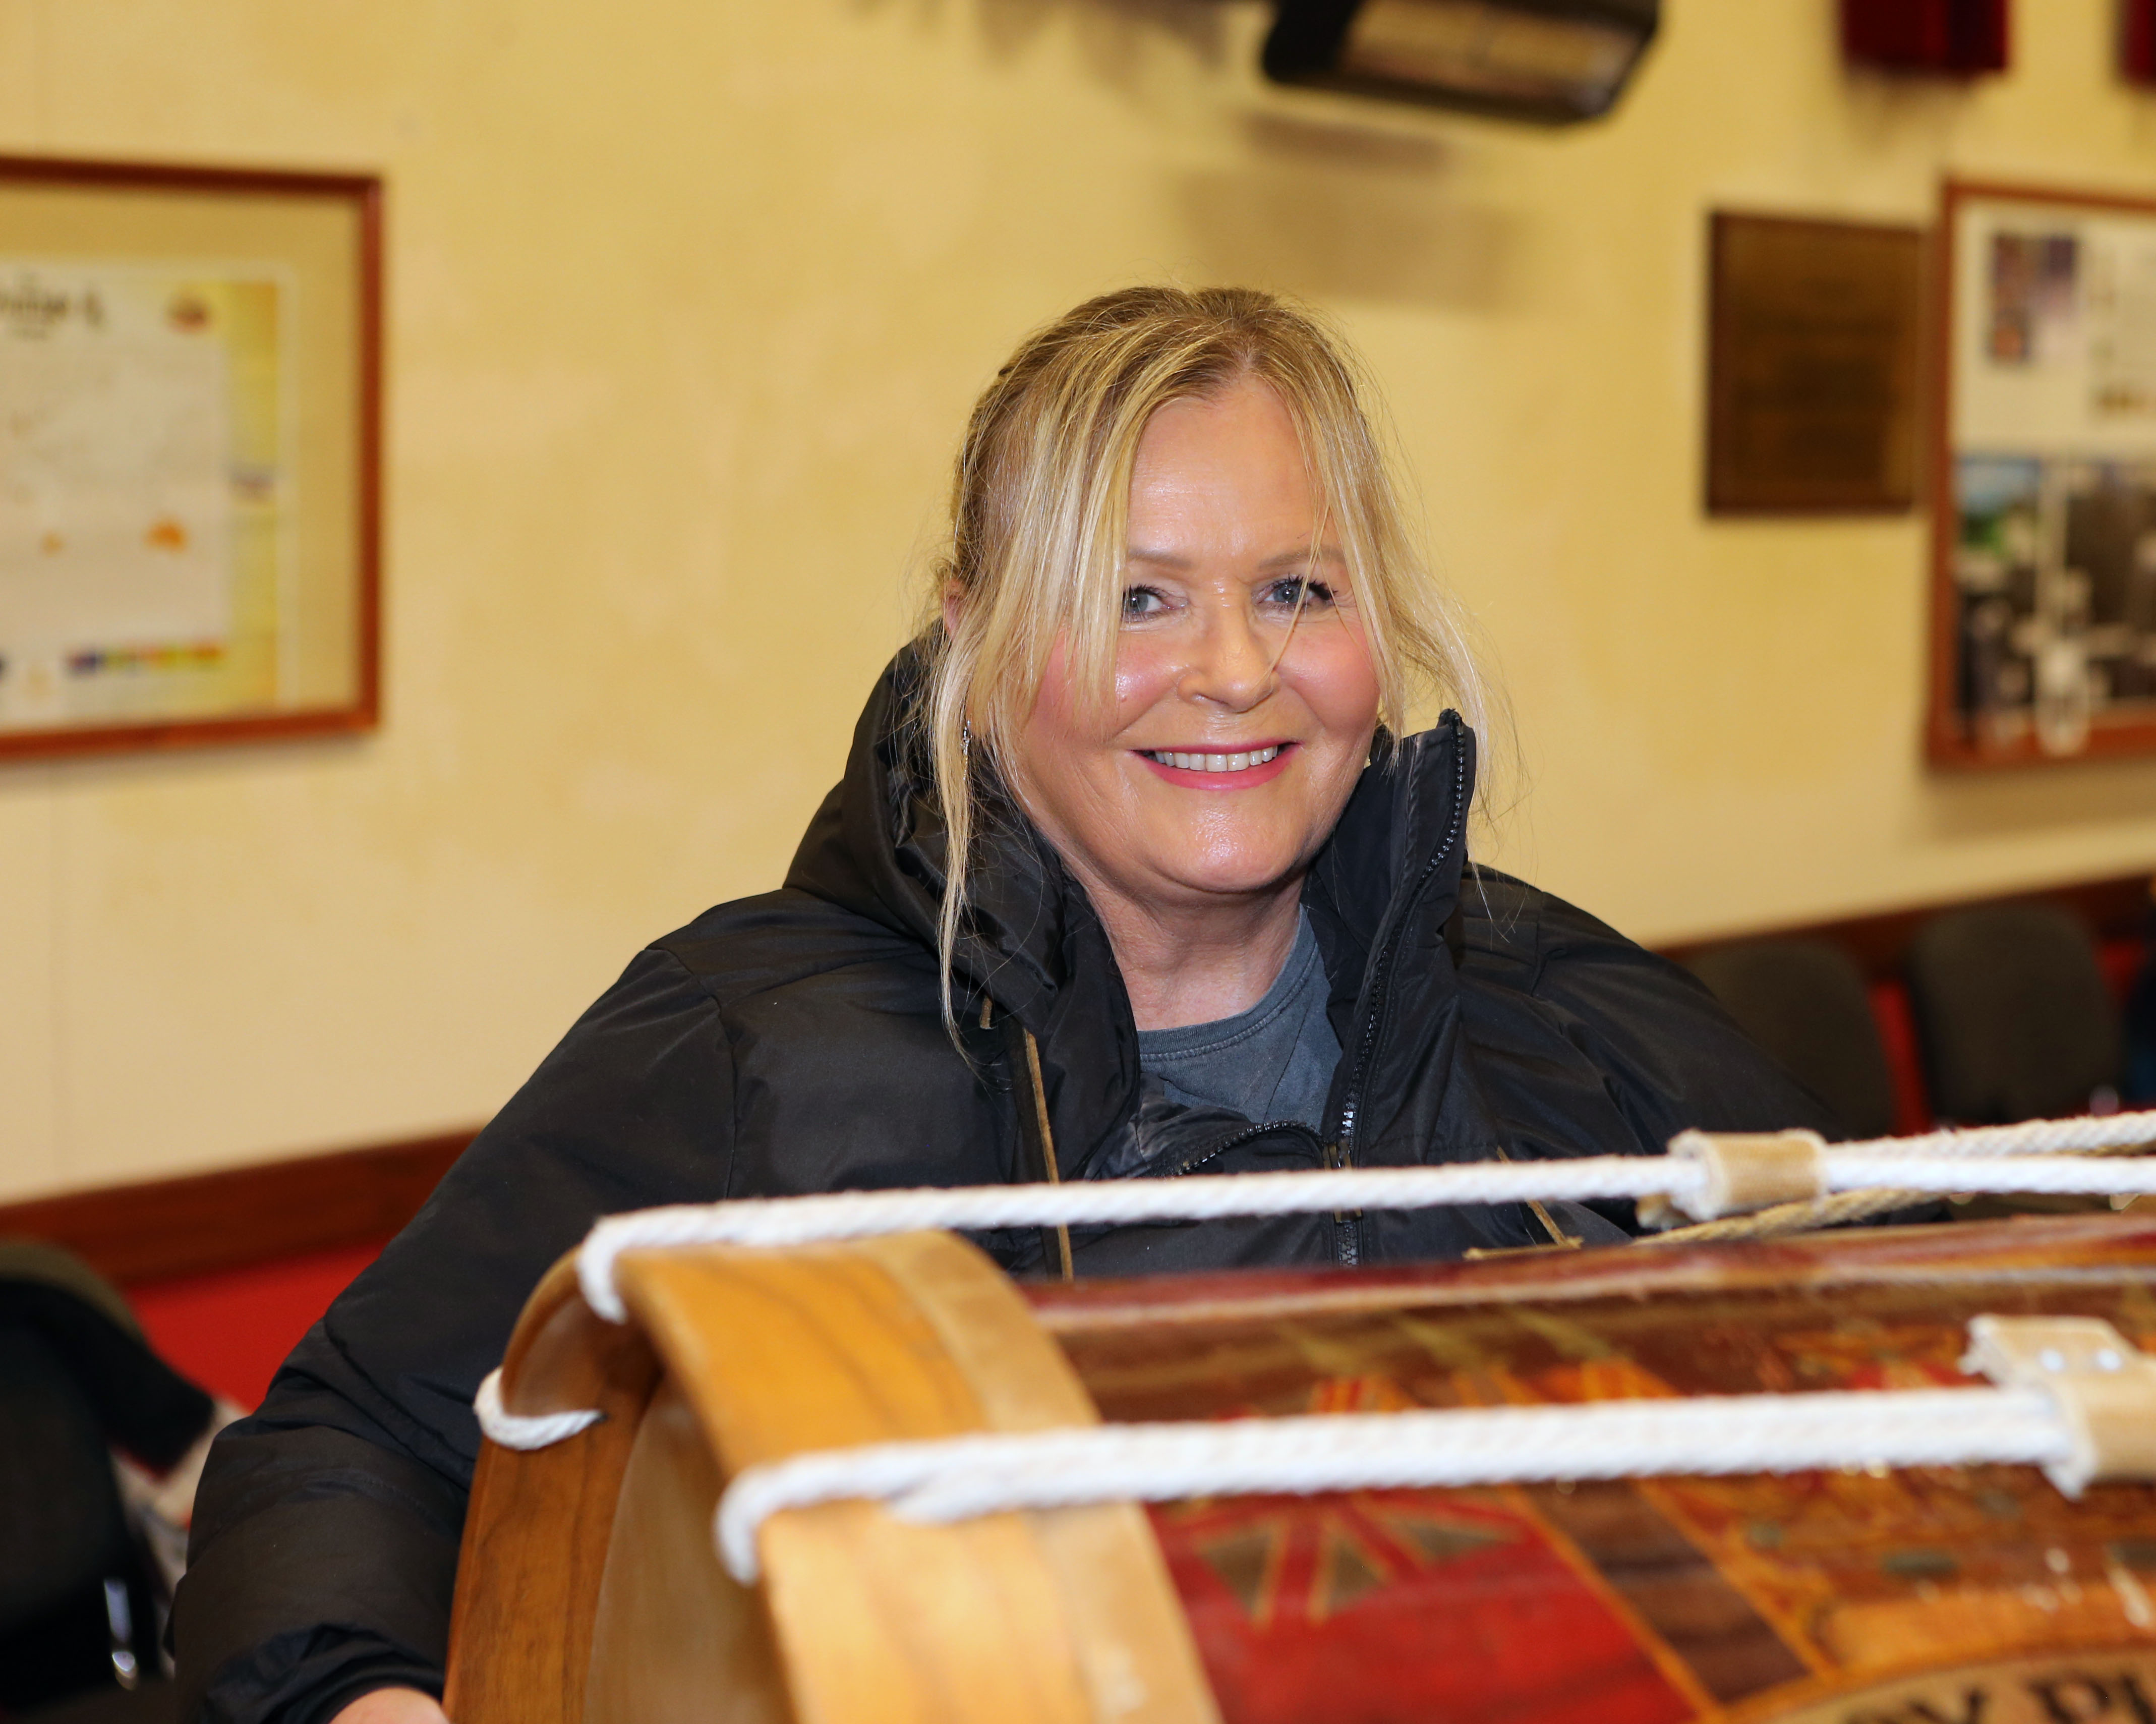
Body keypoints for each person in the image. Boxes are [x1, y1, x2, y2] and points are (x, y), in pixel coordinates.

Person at [172, 286, 1838, 1724]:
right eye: (1136, 595)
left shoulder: (1574, 1018)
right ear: (975, 638)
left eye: (1296, 589)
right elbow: (338, 1451)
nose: (1234, 669)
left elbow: (1918, 1369)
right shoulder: (755, 1047)